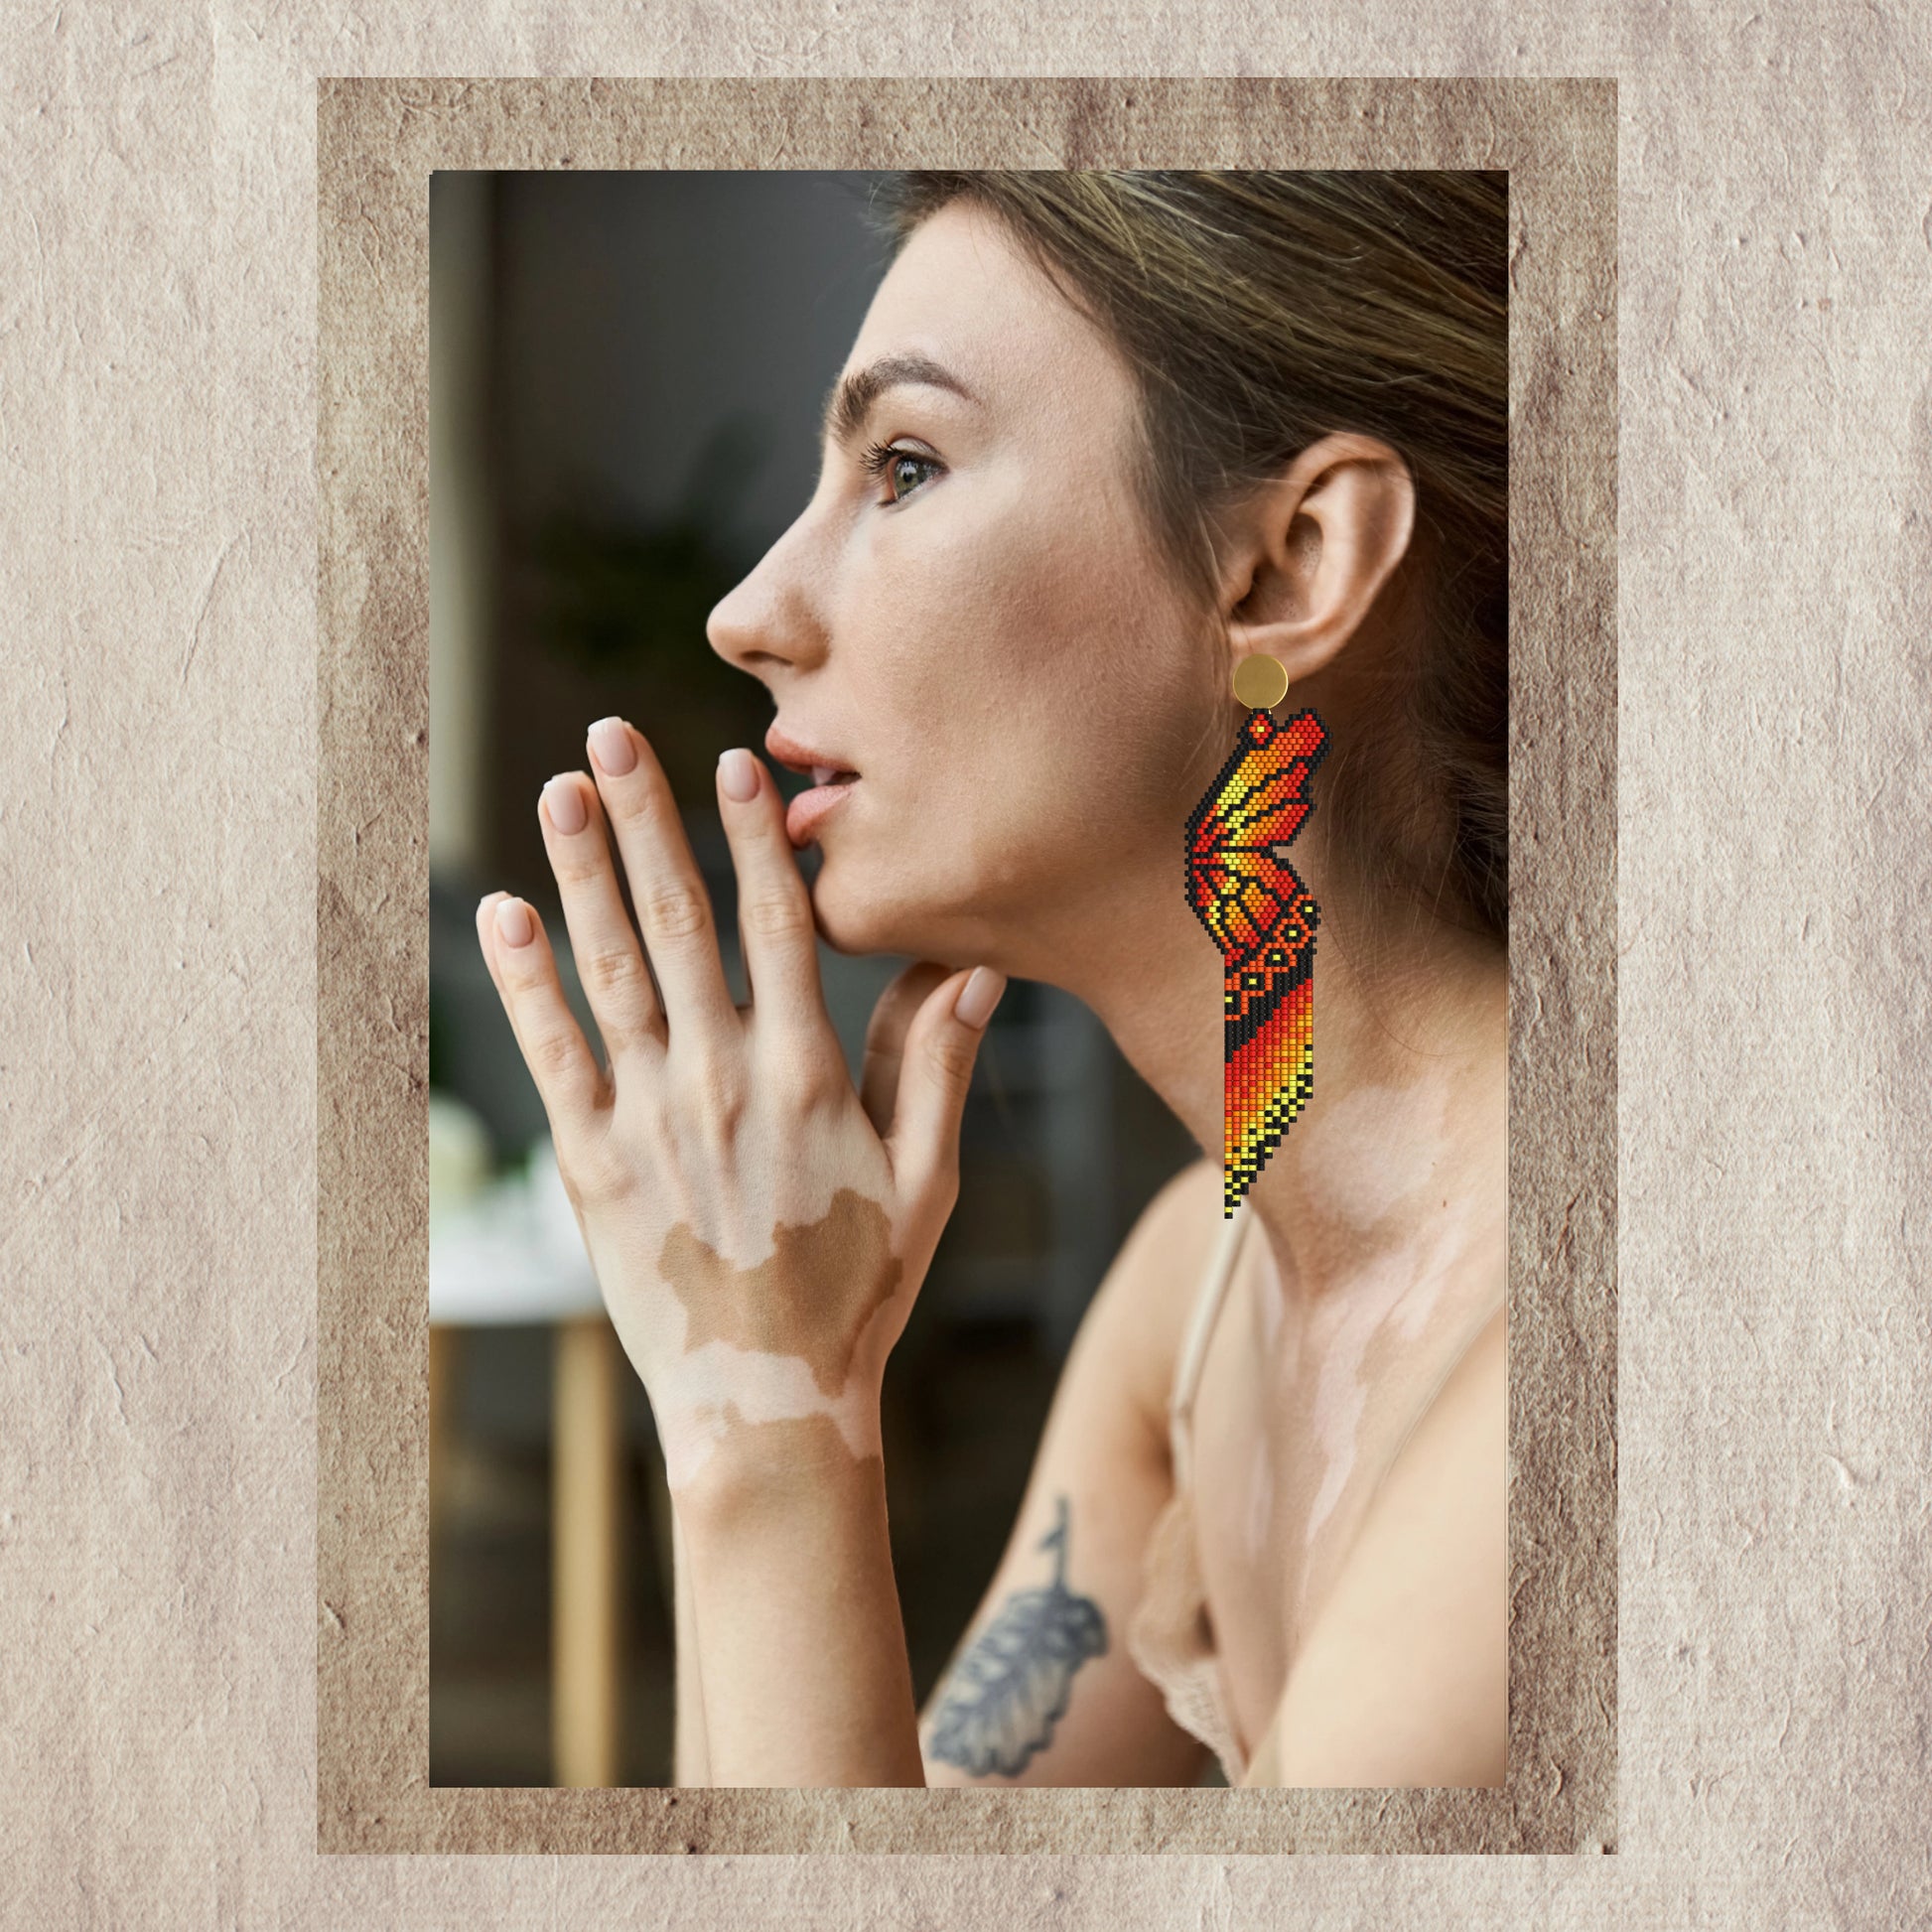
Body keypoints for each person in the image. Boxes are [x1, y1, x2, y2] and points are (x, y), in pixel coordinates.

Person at [475, 170, 1509, 1788]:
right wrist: (753, 1389)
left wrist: (771, 1433)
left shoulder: (1576, 1393)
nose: (745, 613)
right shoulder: (1196, 1292)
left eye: (903, 466)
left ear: (1287, 568)